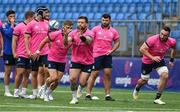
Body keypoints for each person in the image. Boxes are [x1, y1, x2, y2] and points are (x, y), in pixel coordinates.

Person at [132, 26, 176, 105]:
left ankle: (157, 98)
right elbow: (142, 49)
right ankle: (137, 88)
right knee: (144, 80)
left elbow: (174, 49)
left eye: (165, 35)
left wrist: (172, 59)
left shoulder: (172, 41)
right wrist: (152, 57)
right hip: (147, 60)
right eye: (161, 34)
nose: (162, 36)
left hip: (159, 60)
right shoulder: (152, 39)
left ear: (168, 35)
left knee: (165, 75)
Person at [34, 20, 73, 101]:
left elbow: (65, 44)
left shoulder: (71, 37)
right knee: (53, 77)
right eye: (67, 27)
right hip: (52, 59)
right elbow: (44, 41)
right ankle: (44, 88)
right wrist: (38, 51)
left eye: (71, 28)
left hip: (62, 60)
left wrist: (66, 35)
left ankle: (47, 94)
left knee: (57, 81)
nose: (69, 29)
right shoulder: (55, 34)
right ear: (63, 27)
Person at [85, 13, 120, 101]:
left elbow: (117, 42)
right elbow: (89, 39)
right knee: (94, 74)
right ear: (101, 20)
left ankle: (107, 95)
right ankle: (88, 94)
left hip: (107, 55)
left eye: (106, 20)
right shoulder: (95, 29)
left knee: (107, 74)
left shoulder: (113, 31)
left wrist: (112, 50)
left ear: (110, 20)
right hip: (96, 54)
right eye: (103, 20)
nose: (104, 22)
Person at [64, 16, 94, 104]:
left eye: (82, 22)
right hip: (76, 60)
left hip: (87, 61)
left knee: (82, 82)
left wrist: (81, 36)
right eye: (78, 22)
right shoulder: (73, 33)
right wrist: (65, 36)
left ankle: (81, 87)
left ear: (86, 24)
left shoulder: (90, 33)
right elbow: (66, 43)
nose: (80, 24)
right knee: (72, 79)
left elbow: (88, 41)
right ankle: (74, 98)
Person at [24, 6, 49, 99]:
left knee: (47, 71)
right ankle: (35, 93)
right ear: (40, 13)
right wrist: (28, 50)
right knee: (34, 73)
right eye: (45, 12)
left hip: (46, 51)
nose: (47, 14)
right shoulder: (31, 24)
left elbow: (49, 38)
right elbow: (26, 38)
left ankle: (45, 92)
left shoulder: (47, 23)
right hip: (34, 52)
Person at [12, 11, 35, 98]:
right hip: (21, 53)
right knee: (20, 72)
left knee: (27, 74)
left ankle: (23, 92)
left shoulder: (33, 27)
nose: (35, 19)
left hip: (30, 54)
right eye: (34, 18)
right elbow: (14, 40)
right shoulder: (19, 26)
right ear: (29, 17)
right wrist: (14, 52)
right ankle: (16, 91)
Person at [0, 10, 16, 97]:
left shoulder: (17, 26)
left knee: (19, 72)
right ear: (7, 18)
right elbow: (8, 34)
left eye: (14, 16)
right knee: (8, 72)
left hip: (16, 52)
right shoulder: (4, 26)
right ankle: (6, 91)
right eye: (11, 16)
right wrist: (12, 25)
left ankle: (17, 90)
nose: (13, 18)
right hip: (8, 52)